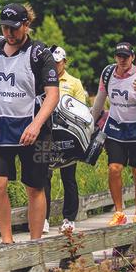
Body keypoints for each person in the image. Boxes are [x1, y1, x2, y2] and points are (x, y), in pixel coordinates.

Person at [0, 3, 59, 244]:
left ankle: (35, 243)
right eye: (5, 27)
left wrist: (37, 125)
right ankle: (7, 241)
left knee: (34, 187)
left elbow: (52, 95)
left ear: (26, 25)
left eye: (14, 28)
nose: (9, 33)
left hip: (35, 130)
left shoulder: (40, 53)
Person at [91, 42, 136, 225]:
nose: (122, 60)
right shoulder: (108, 74)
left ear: (133, 57)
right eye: (119, 56)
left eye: (126, 57)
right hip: (115, 127)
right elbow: (99, 102)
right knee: (114, 168)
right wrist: (91, 124)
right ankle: (119, 212)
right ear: (115, 57)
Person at [44, 46, 87, 234]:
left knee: (68, 177)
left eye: (58, 62)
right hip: (45, 133)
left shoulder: (74, 82)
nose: (55, 65)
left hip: (67, 135)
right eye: (52, 62)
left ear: (64, 62)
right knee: (43, 176)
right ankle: (43, 218)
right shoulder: (42, 79)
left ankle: (69, 218)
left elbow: (82, 110)